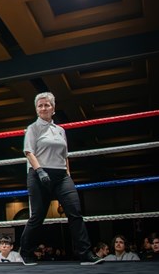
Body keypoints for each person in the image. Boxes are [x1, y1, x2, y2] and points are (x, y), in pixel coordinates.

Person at [19, 92, 103, 265]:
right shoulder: (32, 128)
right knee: (38, 216)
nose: (43, 108)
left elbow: (65, 155)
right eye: (40, 105)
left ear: (53, 108)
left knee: (75, 213)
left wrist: (68, 176)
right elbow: (29, 152)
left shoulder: (60, 130)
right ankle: (25, 252)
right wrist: (40, 171)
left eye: (46, 105)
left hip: (61, 175)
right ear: (36, 109)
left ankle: (85, 254)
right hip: (38, 174)